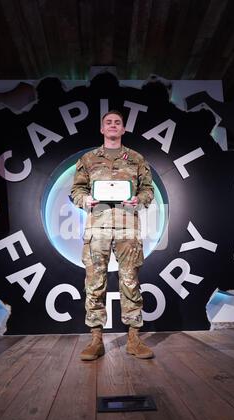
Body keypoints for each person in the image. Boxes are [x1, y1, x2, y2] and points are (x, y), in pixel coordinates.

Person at [71, 110, 154, 360]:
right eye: (109, 122)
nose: (113, 126)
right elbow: (76, 190)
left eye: (117, 122)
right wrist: (86, 199)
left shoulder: (137, 158)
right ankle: (96, 339)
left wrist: (137, 200)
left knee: (130, 281)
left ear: (123, 129)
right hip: (97, 228)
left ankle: (133, 339)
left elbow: (148, 190)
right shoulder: (88, 159)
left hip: (128, 227)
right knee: (94, 283)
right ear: (102, 128)